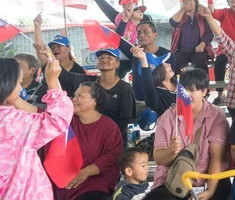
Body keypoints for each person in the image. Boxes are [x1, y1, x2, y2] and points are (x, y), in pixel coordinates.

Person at [150, 68, 231, 199]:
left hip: (208, 179)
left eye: (192, 90)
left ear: (204, 91)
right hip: (174, 179)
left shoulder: (216, 116)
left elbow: (217, 157)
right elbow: (159, 159)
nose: (186, 95)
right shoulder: (167, 118)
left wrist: (209, 191)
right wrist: (171, 151)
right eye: (183, 90)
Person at [0, 55, 73, 199]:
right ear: (6, 84)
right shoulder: (12, 122)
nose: (20, 88)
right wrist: (53, 80)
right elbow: (58, 119)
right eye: (18, 83)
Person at [53, 82, 123, 200]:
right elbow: (41, 114)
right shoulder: (67, 120)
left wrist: (85, 172)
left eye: (80, 96)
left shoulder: (109, 127)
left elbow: (113, 156)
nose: (74, 99)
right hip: (63, 185)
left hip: (93, 186)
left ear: (94, 101)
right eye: (74, 96)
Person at [58, 48, 136, 138]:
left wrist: (110, 136)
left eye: (109, 58)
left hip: (113, 138)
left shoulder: (125, 89)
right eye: (101, 58)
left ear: (117, 63)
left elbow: (124, 120)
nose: (104, 60)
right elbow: (64, 76)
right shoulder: (88, 82)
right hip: (88, 135)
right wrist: (48, 56)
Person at [121, 21, 171, 101]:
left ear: (155, 35)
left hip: (159, 101)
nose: (141, 35)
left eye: (146, 32)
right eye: (139, 32)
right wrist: (125, 19)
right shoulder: (133, 51)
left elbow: (171, 80)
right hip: (137, 100)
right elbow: (117, 39)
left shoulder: (167, 55)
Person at [169, 0, 214, 75]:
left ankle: (203, 86)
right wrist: (183, 9)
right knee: (176, 60)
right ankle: (176, 86)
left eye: (190, 1)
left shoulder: (202, 16)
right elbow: (172, 22)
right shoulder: (180, 16)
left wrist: (202, 44)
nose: (188, 3)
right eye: (185, 1)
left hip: (199, 51)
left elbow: (209, 34)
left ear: (196, 3)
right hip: (182, 51)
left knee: (200, 60)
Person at [133, 47, 175, 116]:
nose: (169, 64)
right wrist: (143, 59)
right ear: (157, 73)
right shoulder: (155, 96)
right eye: (163, 64)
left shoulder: (180, 83)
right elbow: (148, 85)